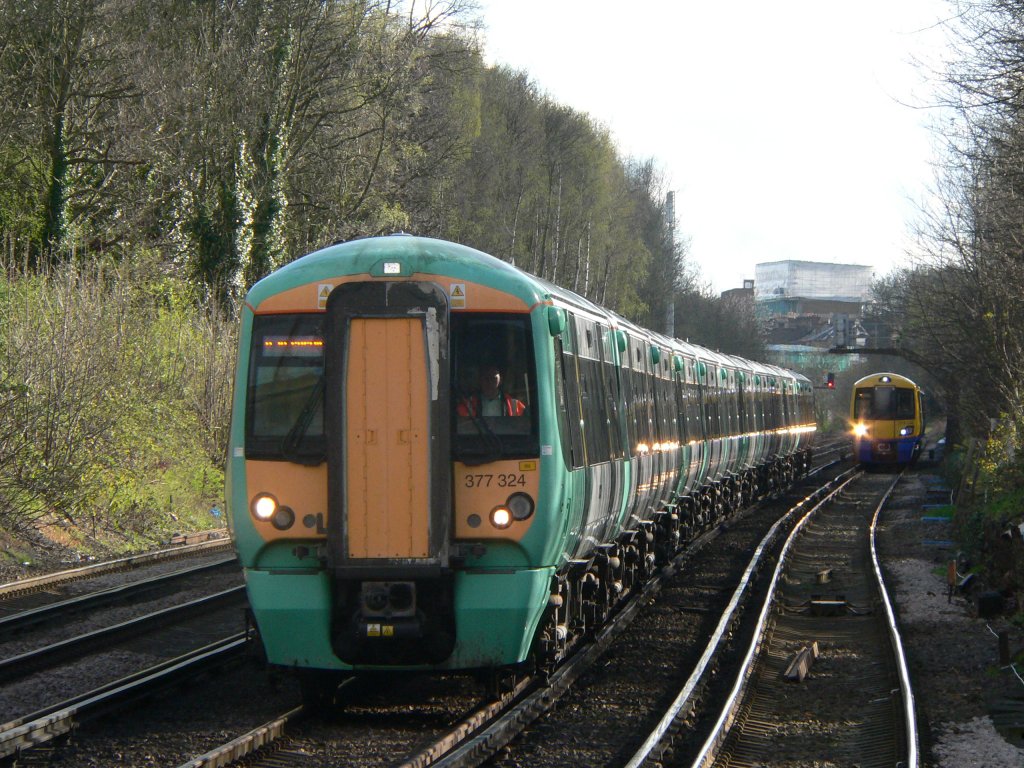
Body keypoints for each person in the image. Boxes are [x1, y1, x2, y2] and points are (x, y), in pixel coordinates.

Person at [457, 365, 525, 417]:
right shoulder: (467, 405)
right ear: (480, 380)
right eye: (486, 378)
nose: (489, 382)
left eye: (493, 378)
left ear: (500, 380)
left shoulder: (515, 405)